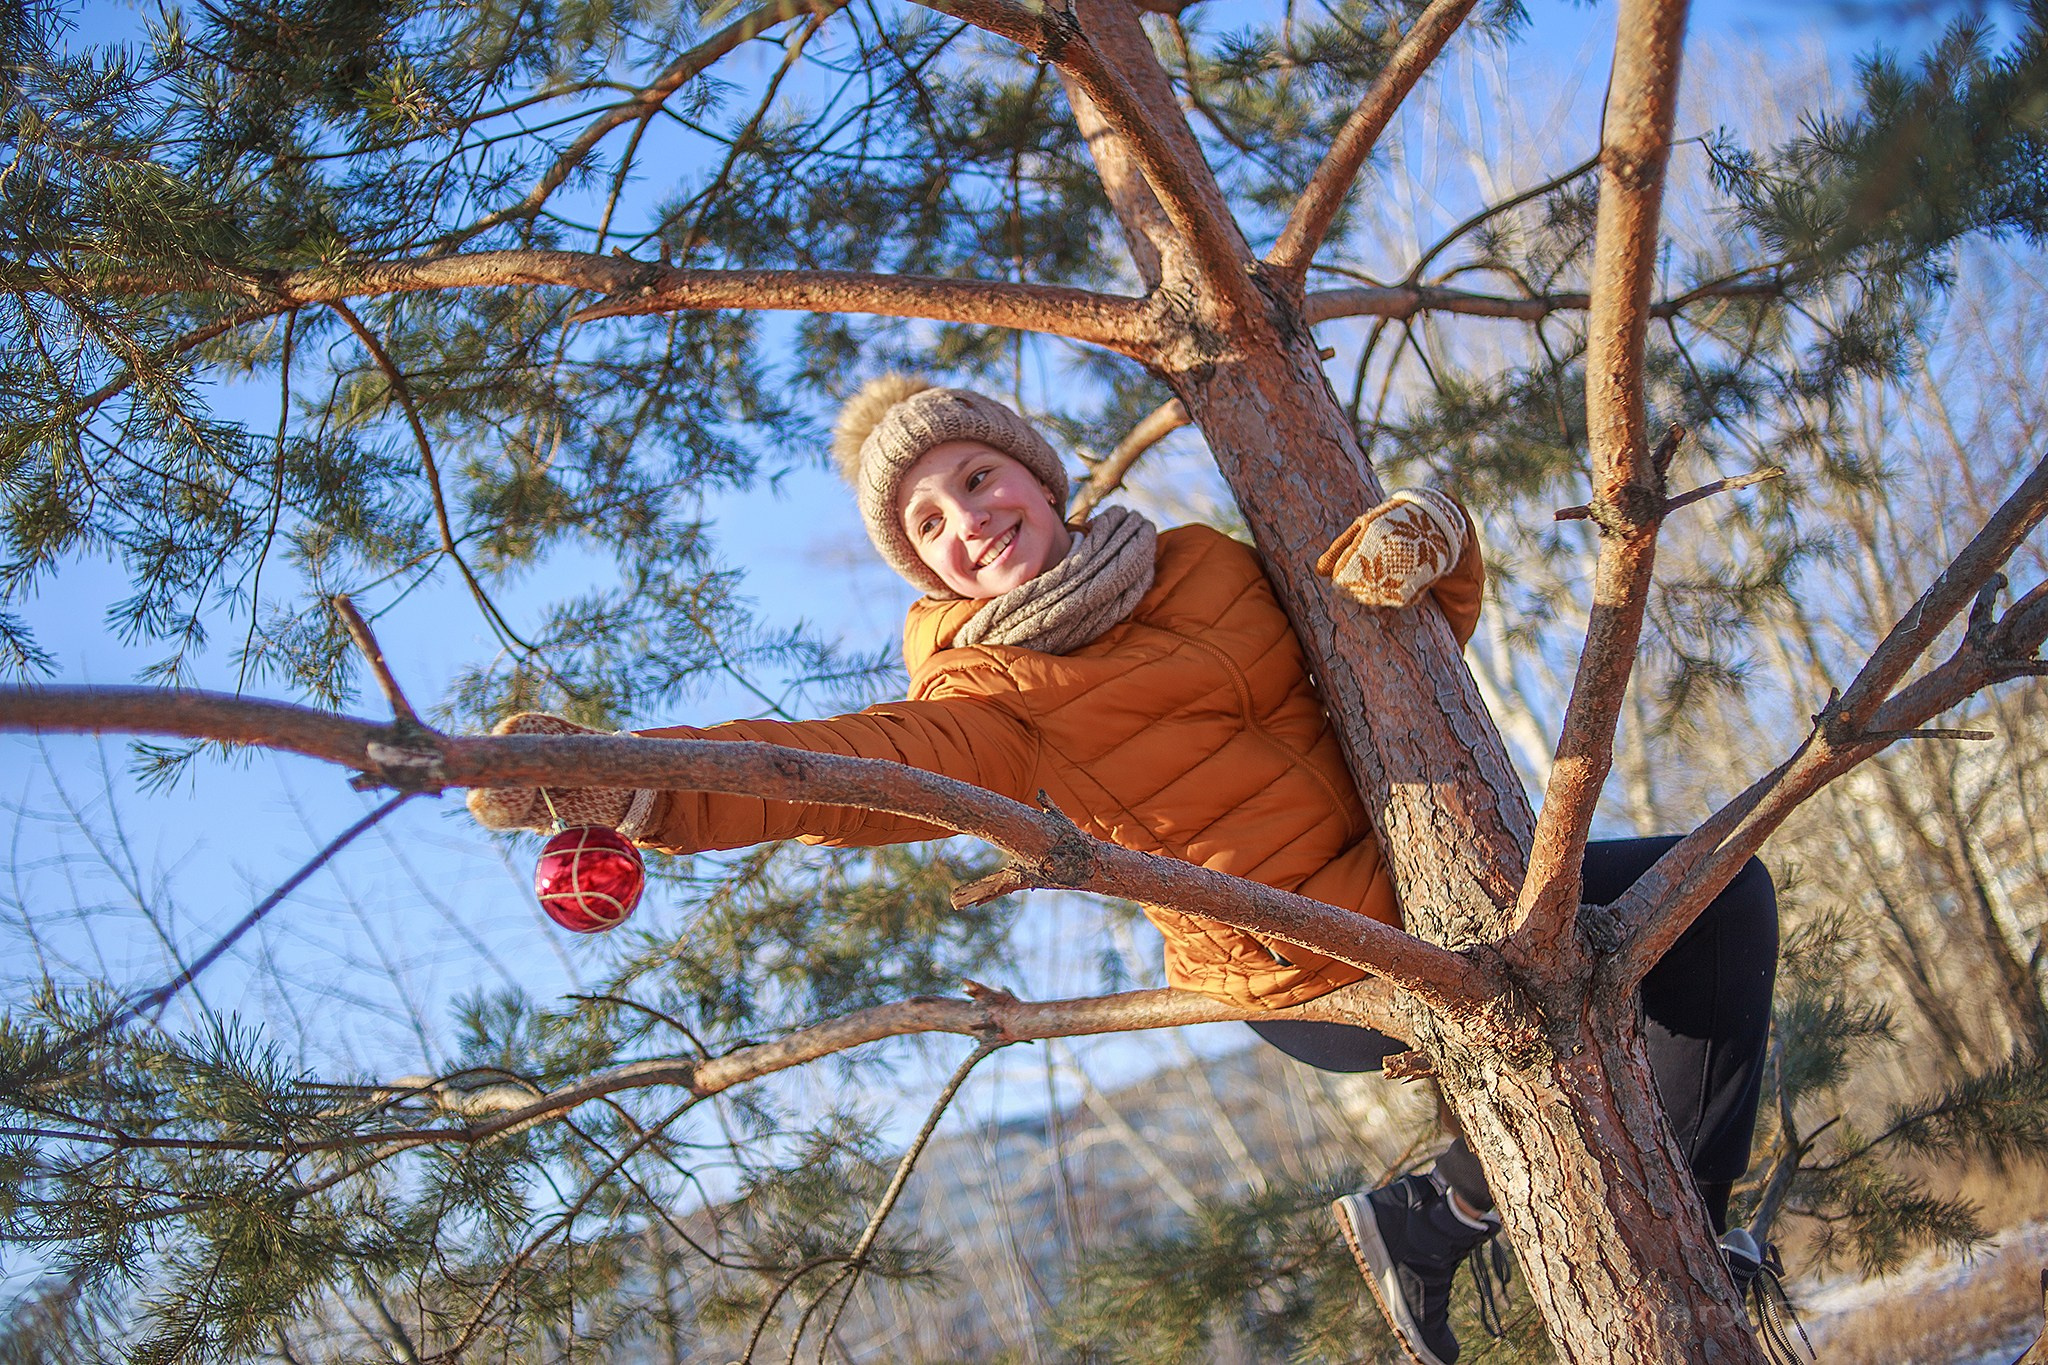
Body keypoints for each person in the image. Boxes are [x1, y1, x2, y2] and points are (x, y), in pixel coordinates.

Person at [466, 376, 1779, 1365]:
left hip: (1465, 896)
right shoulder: (990, 697)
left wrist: (1441, 535)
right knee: (1599, 1004)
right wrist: (623, 776)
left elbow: (1396, 655)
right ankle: (1464, 1205)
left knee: (1718, 890)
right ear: (924, 569)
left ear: (1038, 475)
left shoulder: (1200, 561)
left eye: (978, 478)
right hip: (1314, 966)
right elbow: (844, 771)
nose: (965, 521)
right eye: (928, 522)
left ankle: (1590, 1228)